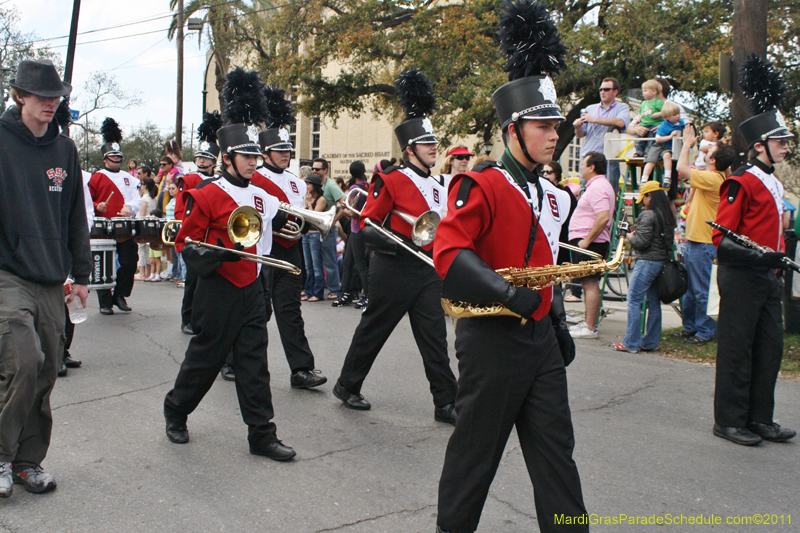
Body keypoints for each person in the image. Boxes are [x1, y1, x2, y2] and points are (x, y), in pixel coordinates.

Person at [434, 4, 587, 529]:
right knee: (474, 460)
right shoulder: (480, 184)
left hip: (540, 339)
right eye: (542, 125)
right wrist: (505, 292)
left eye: (555, 125)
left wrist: (557, 321)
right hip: (492, 338)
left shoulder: (555, 195)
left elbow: (547, 261)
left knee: (557, 461)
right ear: (512, 130)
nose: (553, 134)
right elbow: (449, 254)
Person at [163, 67, 295, 461]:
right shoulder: (207, 194)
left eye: (256, 155)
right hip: (219, 288)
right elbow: (185, 242)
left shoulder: (261, 194)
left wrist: (296, 227)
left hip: (253, 286)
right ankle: (176, 411)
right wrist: (214, 252)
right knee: (206, 359)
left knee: (255, 363)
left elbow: (280, 226)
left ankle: (262, 434)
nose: (254, 162)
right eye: (247, 156)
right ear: (227, 157)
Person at [333, 68, 458, 424]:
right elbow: (367, 224)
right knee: (374, 330)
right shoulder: (390, 178)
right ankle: (347, 384)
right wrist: (397, 240)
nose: (434, 147)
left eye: (435, 142)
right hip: (393, 265)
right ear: (408, 149)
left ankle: (446, 402)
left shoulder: (440, 185)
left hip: (427, 267)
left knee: (435, 337)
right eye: (426, 143)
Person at [0, 59, 91, 498]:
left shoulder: (65, 151)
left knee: (47, 371)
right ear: (20, 96)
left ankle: (26, 461)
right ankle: (0, 455)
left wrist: (82, 274)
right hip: (6, 276)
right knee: (24, 358)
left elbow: (76, 216)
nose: (52, 104)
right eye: (43, 97)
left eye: (57, 97)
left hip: (52, 278)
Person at [711, 54, 796, 446]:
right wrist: (760, 256)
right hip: (742, 274)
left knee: (769, 350)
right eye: (780, 142)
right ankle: (729, 420)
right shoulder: (741, 181)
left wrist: (774, 259)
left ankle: (761, 417)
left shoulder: (775, 184)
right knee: (737, 349)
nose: (785, 147)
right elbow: (721, 239)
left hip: (767, 276)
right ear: (761, 145)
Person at [251, 86, 327, 390]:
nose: (286, 154)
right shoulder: (254, 178)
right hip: (264, 250)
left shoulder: (296, 183)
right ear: (266, 153)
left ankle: (301, 369)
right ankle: (234, 360)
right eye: (280, 150)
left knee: (290, 312)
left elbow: (299, 213)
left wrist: (308, 222)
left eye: (287, 150)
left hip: (290, 250)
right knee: (258, 312)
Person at [675, 124, 735, 346]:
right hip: (696, 240)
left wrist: (687, 144)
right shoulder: (716, 175)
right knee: (691, 289)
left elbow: (681, 167)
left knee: (701, 290)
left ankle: (705, 331)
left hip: (703, 242)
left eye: (709, 151)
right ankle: (691, 327)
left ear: (712, 161)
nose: (705, 150)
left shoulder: (712, 178)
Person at [174, 111, 222, 335]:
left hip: (213, 237)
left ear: (214, 161)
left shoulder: (220, 180)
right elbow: (180, 211)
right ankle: (188, 319)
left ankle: (206, 318)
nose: (201, 161)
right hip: (195, 235)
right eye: (199, 157)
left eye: (206, 158)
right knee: (192, 281)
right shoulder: (189, 179)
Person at [612, 182, 675, 352]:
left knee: (633, 300)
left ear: (650, 196)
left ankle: (630, 343)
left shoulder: (648, 215)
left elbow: (641, 242)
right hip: (660, 262)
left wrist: (630, 236)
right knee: (654, 303)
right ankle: (651, 342)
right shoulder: (667, 214)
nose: (643, 202)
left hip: (647, 261)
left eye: (644, 198)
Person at [88, 117, 142, 315]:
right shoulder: (96, 177)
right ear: (105, 159)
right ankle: (104, 302)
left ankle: (120, 294)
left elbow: (138, 199)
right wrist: (96, 205)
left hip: (124, 225)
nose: (116, 160)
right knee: (102, 263)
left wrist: (130, 207)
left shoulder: (130, 178)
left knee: (130, 261)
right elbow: (87, 202)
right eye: (112, 157)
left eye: (118, 156)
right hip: (102, 226)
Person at [568, 151, 614, 338]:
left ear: (592, 167)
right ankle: (588, 323)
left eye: (583, 164)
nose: (580, 167)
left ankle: (590, 327)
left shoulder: (598, 187)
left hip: (591, 243)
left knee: (590, 283)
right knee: (587, 283)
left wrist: (586, 240)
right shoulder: (598, 186)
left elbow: (603, 217)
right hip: (590, 242)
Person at [572, 77, 630, 199]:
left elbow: (620, 122)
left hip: (609, 156)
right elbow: (581, 134)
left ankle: (611, 217)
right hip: (590, 155)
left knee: (609, 193)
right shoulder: (590, 109)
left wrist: (595, 120)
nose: (602, 92)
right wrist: (577, 127)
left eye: (607, 89)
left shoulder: (622, 107)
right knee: (586, 193)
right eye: (601, 89)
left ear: (615, 92)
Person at [332, 160, 371, 308]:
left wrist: (344, 207)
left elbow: (353, 213)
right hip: (362, 229)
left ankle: (366, 295)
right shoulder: (367, 186)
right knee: (348, 262)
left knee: (360, 264)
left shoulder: (355, 188)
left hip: (357, 229)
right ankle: (346, 292)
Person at [310, 158, 343, 299]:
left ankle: (334, 289)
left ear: (325, 170)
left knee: (329, 261)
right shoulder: (316, 184)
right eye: (313, 168)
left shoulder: (331, 186)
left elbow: (344, 204)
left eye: (317, 169)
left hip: (328, 229)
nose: (314, 171)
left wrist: (333, 221)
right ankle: (319, 288)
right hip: (317, 229)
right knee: (316, 262)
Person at [640, 101, 684, 189]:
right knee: (651, 160)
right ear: (666, 117)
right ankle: (644, 180)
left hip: (668, 147)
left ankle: (667, 178)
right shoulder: (663, 126)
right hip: (659, 145)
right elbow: (658, 139)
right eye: (675, 114)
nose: (678, 116)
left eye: (678, 113)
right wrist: (670, 136)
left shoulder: (681, 123)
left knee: (667, 155)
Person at [630, 79, 664, 157]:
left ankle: (648, 152)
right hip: (643, 124)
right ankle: (639, 151)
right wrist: (638, 120)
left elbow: (665, 112)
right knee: (639, 139)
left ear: (654, 91)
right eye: (643, 91)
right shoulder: (643, 103)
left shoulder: (658, 102)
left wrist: (658, 114)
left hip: (654, 124)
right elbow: (640, 113)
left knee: (651, 139)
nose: (643, 93)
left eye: (645, 91)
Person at [135, 176, 158, 281]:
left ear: (144, 185)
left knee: (141, 250)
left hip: (142, 225)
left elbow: (142, 214)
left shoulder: (145, 198)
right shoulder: (153, 198)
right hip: (150, 225)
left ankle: (142, 273)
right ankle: (148, 272)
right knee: (147, 250)